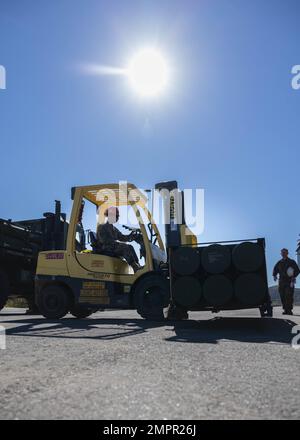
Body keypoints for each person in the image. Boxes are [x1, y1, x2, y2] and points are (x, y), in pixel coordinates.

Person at [96, 206, 142, 273]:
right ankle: (134, 267)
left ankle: (137, 265)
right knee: (124, 247)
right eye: (116, 216)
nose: (117, 218)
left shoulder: (114, 229)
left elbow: (122, 237)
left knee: (130, 247)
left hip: (112, 247)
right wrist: (117, 243)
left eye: (117, 216)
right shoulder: (102, 226)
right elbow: (104, 241)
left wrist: (131, 236)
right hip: (105, 248)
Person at [273, 248, 300, 315]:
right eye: (282, 252)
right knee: (282, 295)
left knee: (288, 295)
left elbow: (297, 270)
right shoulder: (279, 262)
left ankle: (289, 310)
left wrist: (294, 277)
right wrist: (274, 275)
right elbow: (275, 269)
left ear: (287, 253)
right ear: (281, 254)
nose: (283, 253)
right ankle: (285, 309)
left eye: (285, 252)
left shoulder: (292, 262)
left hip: (290, 281)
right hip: (281, 281)